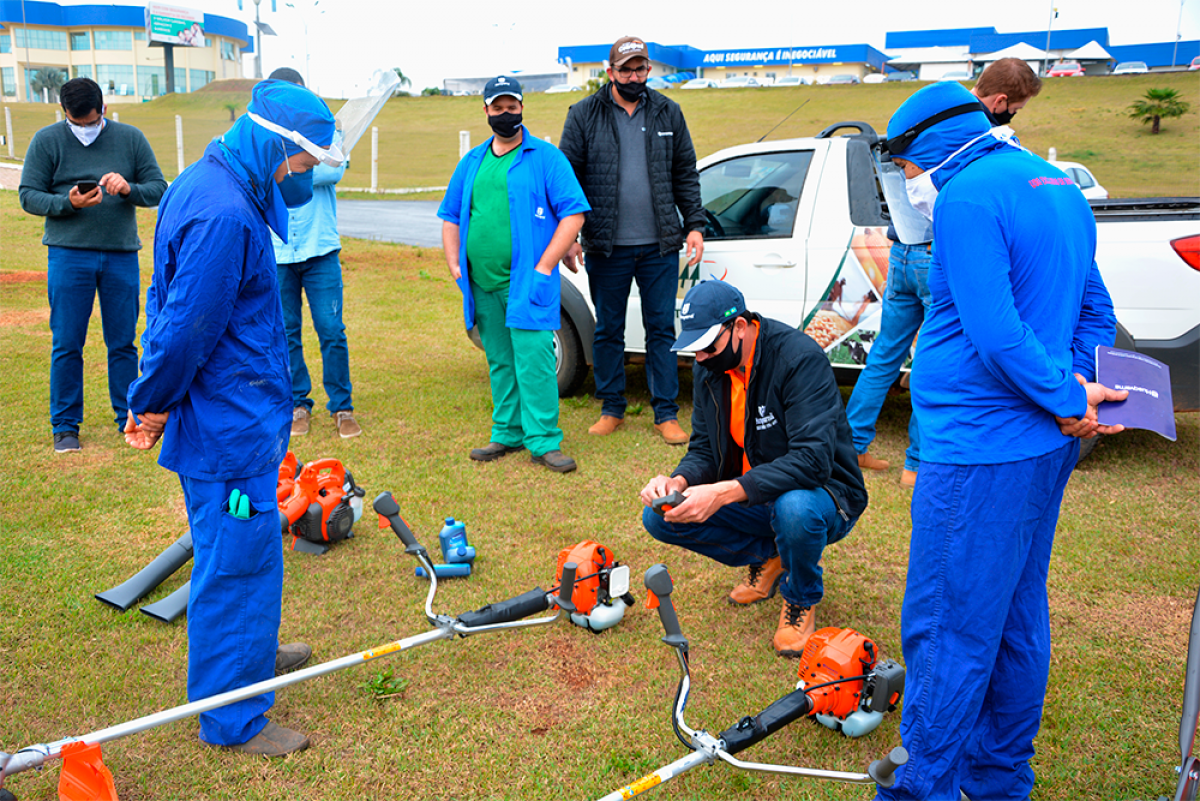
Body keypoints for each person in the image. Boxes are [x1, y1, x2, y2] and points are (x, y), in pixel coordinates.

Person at [875, 82, 1125, 801]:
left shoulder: (968, 197)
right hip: (1042, 447)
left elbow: (994, 333)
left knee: (948, 626)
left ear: (928, 150)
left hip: (979, 448)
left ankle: (921, 786)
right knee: (1016, 613)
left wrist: (1063, 397)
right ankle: (999, 779)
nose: (910, 187)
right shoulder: (1058, 186)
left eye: (907, 170)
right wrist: (1075, 389)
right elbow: (1095, 308)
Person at [124, 79, 342, 756]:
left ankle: (249, 654)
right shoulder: (223, 212)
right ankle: (233, 716)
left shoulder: (216, 182)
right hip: (227, 431)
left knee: (239, 551)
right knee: (237, 561)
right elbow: (184, 329)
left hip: (236, 419)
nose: (301, 178)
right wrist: (149, 400)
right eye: (301, 166)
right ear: (278, 146)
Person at [639, 280, 867, 656]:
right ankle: (772, 555)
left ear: (740, 328)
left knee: (794, 507)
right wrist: (678, 481)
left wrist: (722, 491)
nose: (700, 358)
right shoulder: (710, 368)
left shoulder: (798, 359)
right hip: (757, 494)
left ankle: (801, 596)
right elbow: (704, 450)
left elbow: (812, 462)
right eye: (694, 349)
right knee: (659, 517)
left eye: (708, 346)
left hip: (826, 495)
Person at [847, 57, 1043, 486]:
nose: (1013, 115)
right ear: (1001, 101)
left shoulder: (924, 119)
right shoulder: (982, 140)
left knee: (884, 355)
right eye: (1017, 108)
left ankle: (852, 446)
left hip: (899, 253)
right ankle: (916, 464)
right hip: (936, 254)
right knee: (933, 359)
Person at [438, 76, 590, 474]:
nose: (506, 114)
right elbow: (452, 216)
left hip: (527, 280)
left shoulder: (545, 157)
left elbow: (573, 213)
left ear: (522, 107)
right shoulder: (472, 162)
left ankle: (543, 440)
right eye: (498, 108)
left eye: (512, 107)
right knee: (500, 360)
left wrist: (545, 265)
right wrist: (455, 263)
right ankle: (506, 431)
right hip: (481, 282)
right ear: (486, 111)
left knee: (535, 360)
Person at [559, 36, 705, 446]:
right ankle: (611, 408)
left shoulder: (668, 111)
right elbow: (567, 180)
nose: (634, 76)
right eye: (626, 70)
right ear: (610, 72)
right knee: (608, 329)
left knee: (662, 328)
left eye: (640, 69)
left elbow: (685, 173)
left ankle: (665, 413)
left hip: (660, 244)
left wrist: (694, 223)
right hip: (606, 245)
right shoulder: (583, 114)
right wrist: (570, 236)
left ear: (648, 70)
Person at [19, 77, 166, 453]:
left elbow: (159, 188)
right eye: (76, 123)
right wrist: (66, 203)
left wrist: (129, 188)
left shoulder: (130, 138)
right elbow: (28, 195)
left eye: (90, 121)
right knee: (67, 342)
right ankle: (65, 427)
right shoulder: (47, 140)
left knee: (123, 343)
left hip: (120, 254)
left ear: (102, 108)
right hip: (69, 254)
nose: (84, 129)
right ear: (64, 113)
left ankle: (127, 418)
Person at [265, 67, 362, 440]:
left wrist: (287, 168)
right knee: (285, 330)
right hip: (277, 250)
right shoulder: (267, 134)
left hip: (320, 248)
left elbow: (329, 173)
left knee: (331, 328)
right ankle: (297, 404)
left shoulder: (325, 127)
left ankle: (342, 406)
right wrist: (305, 164)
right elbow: (269, 173)